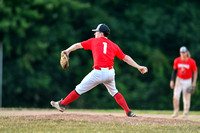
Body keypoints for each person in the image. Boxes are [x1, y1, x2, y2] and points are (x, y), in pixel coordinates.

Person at [50, 24, 148, 117]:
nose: (94, 33)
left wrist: (67, 51)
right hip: (110, 73)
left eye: (96, 32)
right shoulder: (114, 45)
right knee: (115, 92)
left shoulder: (94, 41)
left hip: (98, 73)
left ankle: (62, 105)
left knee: (79, 89)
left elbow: (77, 45)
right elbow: (126, 58)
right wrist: (139, 67)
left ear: (101, 33)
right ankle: (128, 112)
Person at [170, 46, 198, 118]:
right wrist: (172, 80)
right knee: (176, 95)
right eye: (181, 52)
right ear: (180, 53)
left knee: (186, 97)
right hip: (179, 80)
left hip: (188, 80)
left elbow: (195, 72)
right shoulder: (177, 60)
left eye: (184, 52)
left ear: (187, 53)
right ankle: (176, 112)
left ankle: (185, 113)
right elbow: (174, 71)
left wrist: (194, 82)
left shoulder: (191, 61)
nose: (183, 54)